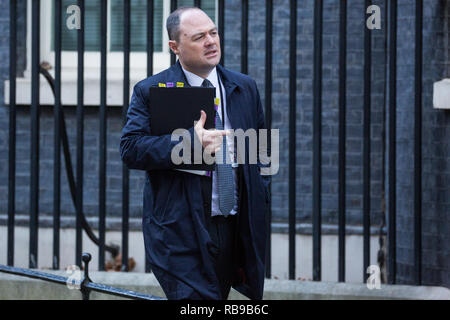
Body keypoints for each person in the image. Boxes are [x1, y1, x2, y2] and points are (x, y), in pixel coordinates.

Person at [120, 6, 270, 300]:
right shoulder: (151, 90)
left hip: (233, 224)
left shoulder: (244, 87)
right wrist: (189, 143)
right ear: (175, 46)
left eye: (213, 33)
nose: (211, 42)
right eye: (199, 37)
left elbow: (261, 150)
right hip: (181, 230)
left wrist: (261, 198)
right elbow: (130, 149)